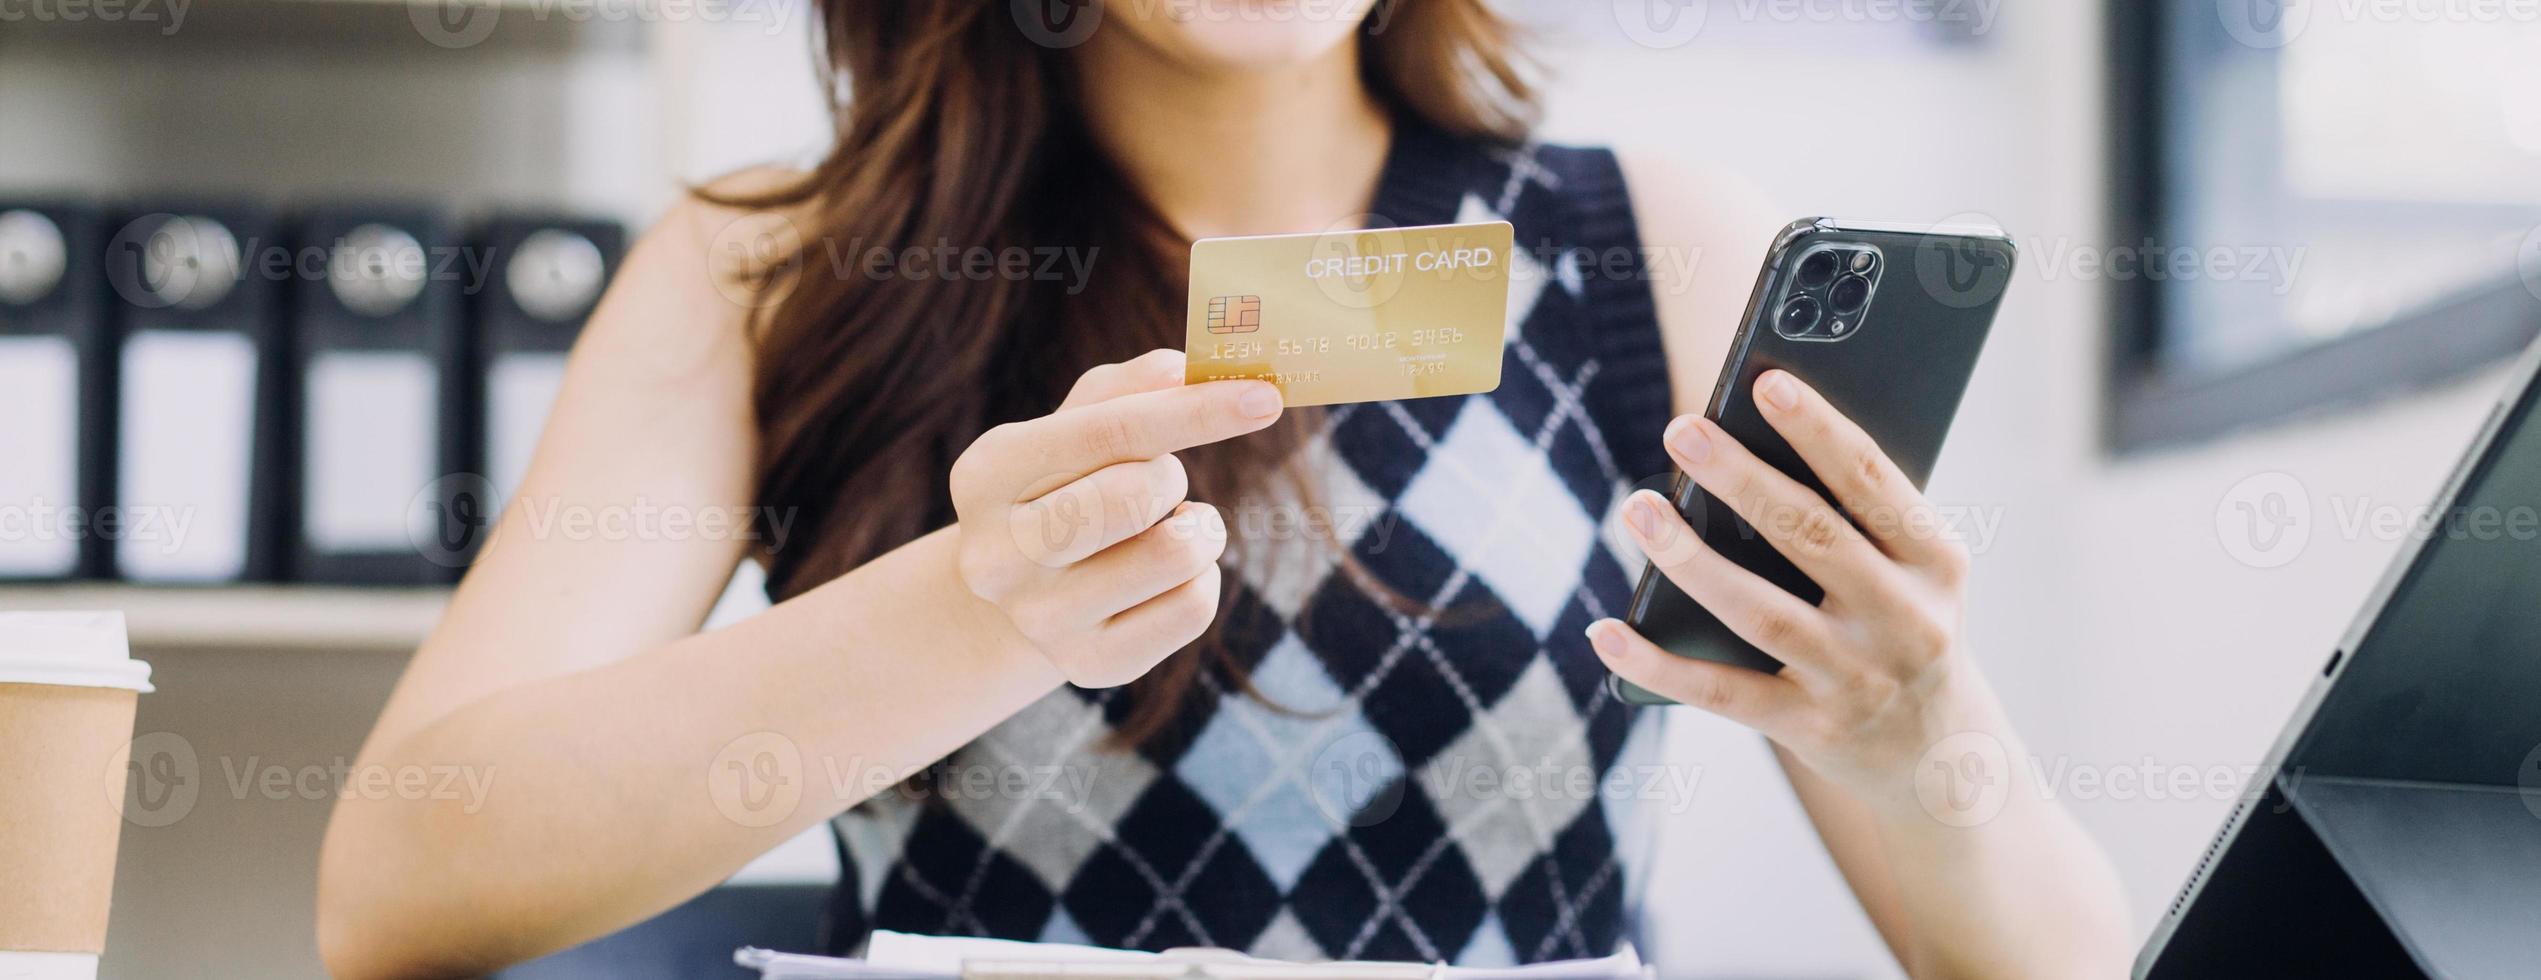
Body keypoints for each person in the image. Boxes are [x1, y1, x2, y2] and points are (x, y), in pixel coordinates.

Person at [317, 4, 2131, 977]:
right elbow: (400, 886)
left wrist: (1916, 731)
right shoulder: (773, 272)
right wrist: (971, 609)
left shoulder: (1645, 252)